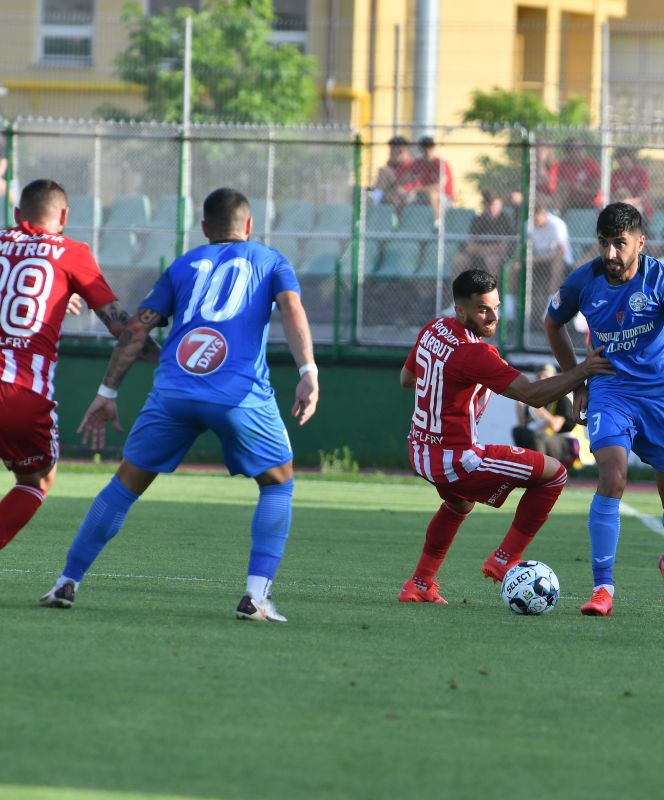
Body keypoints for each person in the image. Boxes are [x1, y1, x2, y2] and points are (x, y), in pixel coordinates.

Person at [38, 188, 319, 622]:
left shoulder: (183, 265)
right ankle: (255, 597)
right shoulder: (271, 260)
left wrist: (107, 392)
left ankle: (66, 581)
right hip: (238, 395)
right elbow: (292, 308)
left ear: (204, 228)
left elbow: (135, 330)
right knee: (278, 483)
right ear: (248, 226)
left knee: (123, 487)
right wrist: (308, 371)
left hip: (173, 393)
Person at [544, 202, 664, 616]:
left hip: (662, 397)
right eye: (604, 243)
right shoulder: (583, 281)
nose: (610, 253)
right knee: (612, 475)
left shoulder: (660, 279)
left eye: (619, 244)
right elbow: (552, 323)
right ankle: (602, 588)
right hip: (611, 389)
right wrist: (577, 381)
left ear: (640, 243)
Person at [400, 270, 611, 604]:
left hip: (420, 450)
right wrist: (583, 370)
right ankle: (504, 559)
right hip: (457, 460)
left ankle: (419, 584)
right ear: (460, 310)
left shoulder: (434, 329)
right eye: (483, 309)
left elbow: (406, 377)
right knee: (554, 475)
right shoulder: (474, 354)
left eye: (496, 307)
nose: (493, 316)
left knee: (459, 503)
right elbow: (534, 396)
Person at [0, 179, 156, 556]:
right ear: (65, 216)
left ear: (17, 214)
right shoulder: (71, 252)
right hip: (20, 393)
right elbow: (122, 328)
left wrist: (52, 297)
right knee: (35, 480)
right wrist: (168, 360)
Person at [512, 364, 587, 466]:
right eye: (538, 377)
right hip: (545, 439)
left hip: (568, 443)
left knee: (537, 437)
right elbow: (523, 426)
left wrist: (538, 408)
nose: (541, 379)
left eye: (545, 376)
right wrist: (519, 404)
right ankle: (525, 467)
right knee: (518, 432)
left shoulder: (562, 397)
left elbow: (555, 426)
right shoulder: (538, 399)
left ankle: (541, 469)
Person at [450, 191, 515, 277]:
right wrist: (487, 251)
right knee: (458, 260)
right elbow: (470, 246)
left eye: (494, 204)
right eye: (488, 205)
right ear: (484, 205)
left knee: (491, 260)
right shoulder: (478, 219)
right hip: (476, 255)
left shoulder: (504, 220)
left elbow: (503, 248)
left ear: (500, 204)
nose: (492, 208)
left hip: (495, 256)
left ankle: (491, 286)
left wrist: (482, 250)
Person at [527, 202, 573, 298]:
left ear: (544, 215)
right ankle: (511, 304)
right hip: (537, 261)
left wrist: (535, 259)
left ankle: (551, 302)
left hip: (561, 261)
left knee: (557, 265)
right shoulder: (528, 224)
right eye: (532, 218)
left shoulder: (557, 224)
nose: (534, 222)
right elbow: (523, 248)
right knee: (515, 266)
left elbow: (561, 254)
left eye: (536, 218)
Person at [408, 136, 456, 220]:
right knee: (405, 196)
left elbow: (440, 186)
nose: (427, 150)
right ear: (420, 149)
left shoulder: (440, 163)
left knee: (433, 195)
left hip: (444, 197)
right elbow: (409, 182)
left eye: (430, 147)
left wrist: (421, 189)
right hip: (422, 195)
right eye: (425, 147)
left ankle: (437, 222)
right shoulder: (417, 164)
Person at [372, 135, 418, 212]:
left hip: (409, 192)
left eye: (393, 150)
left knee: (384, 171)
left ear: (402, 150)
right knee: (383, 172)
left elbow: (415, 183)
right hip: (394, 192)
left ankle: (376, 199)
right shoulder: (392, 166)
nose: (390, 153)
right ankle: (375, 198)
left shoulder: (412, 165)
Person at [609, 148, 653, 220]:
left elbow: (643, 195)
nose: (622, 159)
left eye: (625, 156)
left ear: (630, 158)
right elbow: (611, 194)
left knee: (635, 210)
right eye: (620, 156)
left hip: (636, 203)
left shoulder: (641, 172)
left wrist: (630, 201)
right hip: (618, 202)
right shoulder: (615, 174)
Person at [559, 139, 601, 210]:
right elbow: (560, 188)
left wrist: (581, 189)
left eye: (582, 148)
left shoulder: (592, 165)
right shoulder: (563, 166)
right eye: (577, 148)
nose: (581, 151)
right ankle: (556, 214)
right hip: (569, 202)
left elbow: (596, 192)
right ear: (569, 152)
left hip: (591, 203)